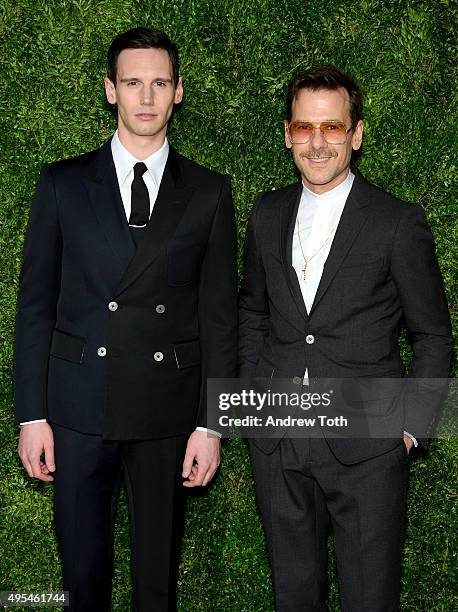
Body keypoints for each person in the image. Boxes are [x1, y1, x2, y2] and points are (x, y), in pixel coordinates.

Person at [14, 27, 237, 612]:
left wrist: (210, 426)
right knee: (82, 584)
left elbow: (220, 320)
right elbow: (35, 306)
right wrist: (32, 415)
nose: (146, 97)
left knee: (156, 588)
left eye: (159, 83)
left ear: (178, 92)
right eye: (133, 82)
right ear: (111, 90)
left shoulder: (210, 192)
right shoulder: (61, 183)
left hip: (168, 415)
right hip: (78, 410)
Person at [238, 65, 452, 611]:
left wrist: (408, 431)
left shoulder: (397, 222)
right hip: (279, 439)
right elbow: (252, 315)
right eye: (304, 128)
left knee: (369, 600)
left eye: (332, 128)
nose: (317, 143)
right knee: (293, 596)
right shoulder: (266, 214)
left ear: (355, 134)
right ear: (288, 133)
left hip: (369, 446)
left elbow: (432, 334)